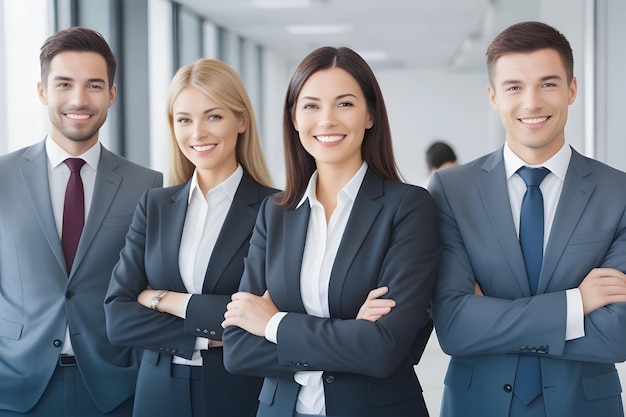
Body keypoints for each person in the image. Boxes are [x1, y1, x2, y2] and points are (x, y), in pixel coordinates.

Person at [221, 46, 440, 417]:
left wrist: (274, 323)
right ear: (293, 117)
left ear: (370, 114)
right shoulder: (275, 214)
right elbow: (238, 347)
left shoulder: (409, 207)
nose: (326, 120)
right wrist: (350, 333)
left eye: (344, 104)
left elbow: (383, 349)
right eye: (310, 106)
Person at [429, 21, 626, 417]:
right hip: (477, 404)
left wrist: (491, 320)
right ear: (493, 96)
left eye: (548, 84)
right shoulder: (451, 191)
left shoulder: (617, 192)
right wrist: (576, 304)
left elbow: (618, 333)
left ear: (572, 89)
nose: (532, 102)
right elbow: (453, 325)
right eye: (514, 87)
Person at [0, 27, 163, 417]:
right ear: (42, 91)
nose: (78, 99)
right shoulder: (2, 178)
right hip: (15, 388)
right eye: (64, 84)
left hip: (114, 389)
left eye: (93, 85)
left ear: (112, 94)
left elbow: (151, 284)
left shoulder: (147, 184)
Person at [104, 58, 277, 417]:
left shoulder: (277, 210)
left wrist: (162, 299)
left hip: (240, 394)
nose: (197, 133)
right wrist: (205, 335)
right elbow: (118, 316)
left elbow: (266, 317)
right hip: (157, 395)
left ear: (241, 121)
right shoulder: (155, 205)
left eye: (213, 116)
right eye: (184, 119)